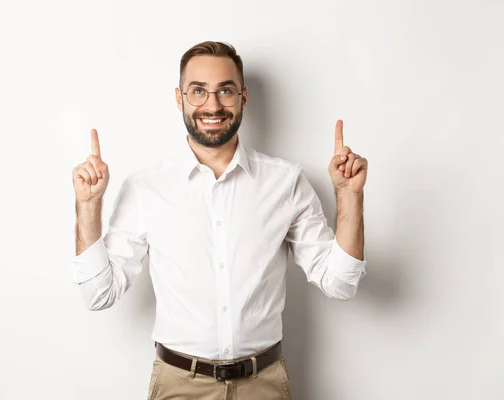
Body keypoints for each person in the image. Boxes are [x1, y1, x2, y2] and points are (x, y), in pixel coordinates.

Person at [71, 41, 368, 400]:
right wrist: (88, 206)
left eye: (225, 91)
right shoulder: (145, 188)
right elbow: (99, 294)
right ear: (180, 99)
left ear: (243, 97)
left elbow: (339, 283)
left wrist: (349, 197)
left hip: (265, 385)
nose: (212, 105)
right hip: (179, 386)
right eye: (198, 91)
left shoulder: (285, 182)